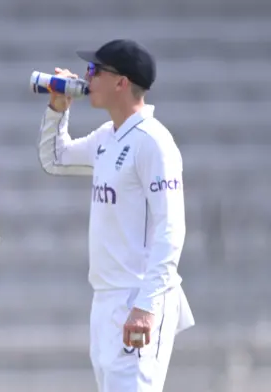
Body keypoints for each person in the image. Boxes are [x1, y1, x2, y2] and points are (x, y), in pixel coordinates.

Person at [34, 39, 195, 391]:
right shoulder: (108, 136)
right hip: (105, 297)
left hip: (137, 297)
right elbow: (54, 159)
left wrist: (146, 306)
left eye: (95, 71)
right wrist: (57, 110)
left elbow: (172, 228)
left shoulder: (154, 142)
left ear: (121, 82)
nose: (87, 77)